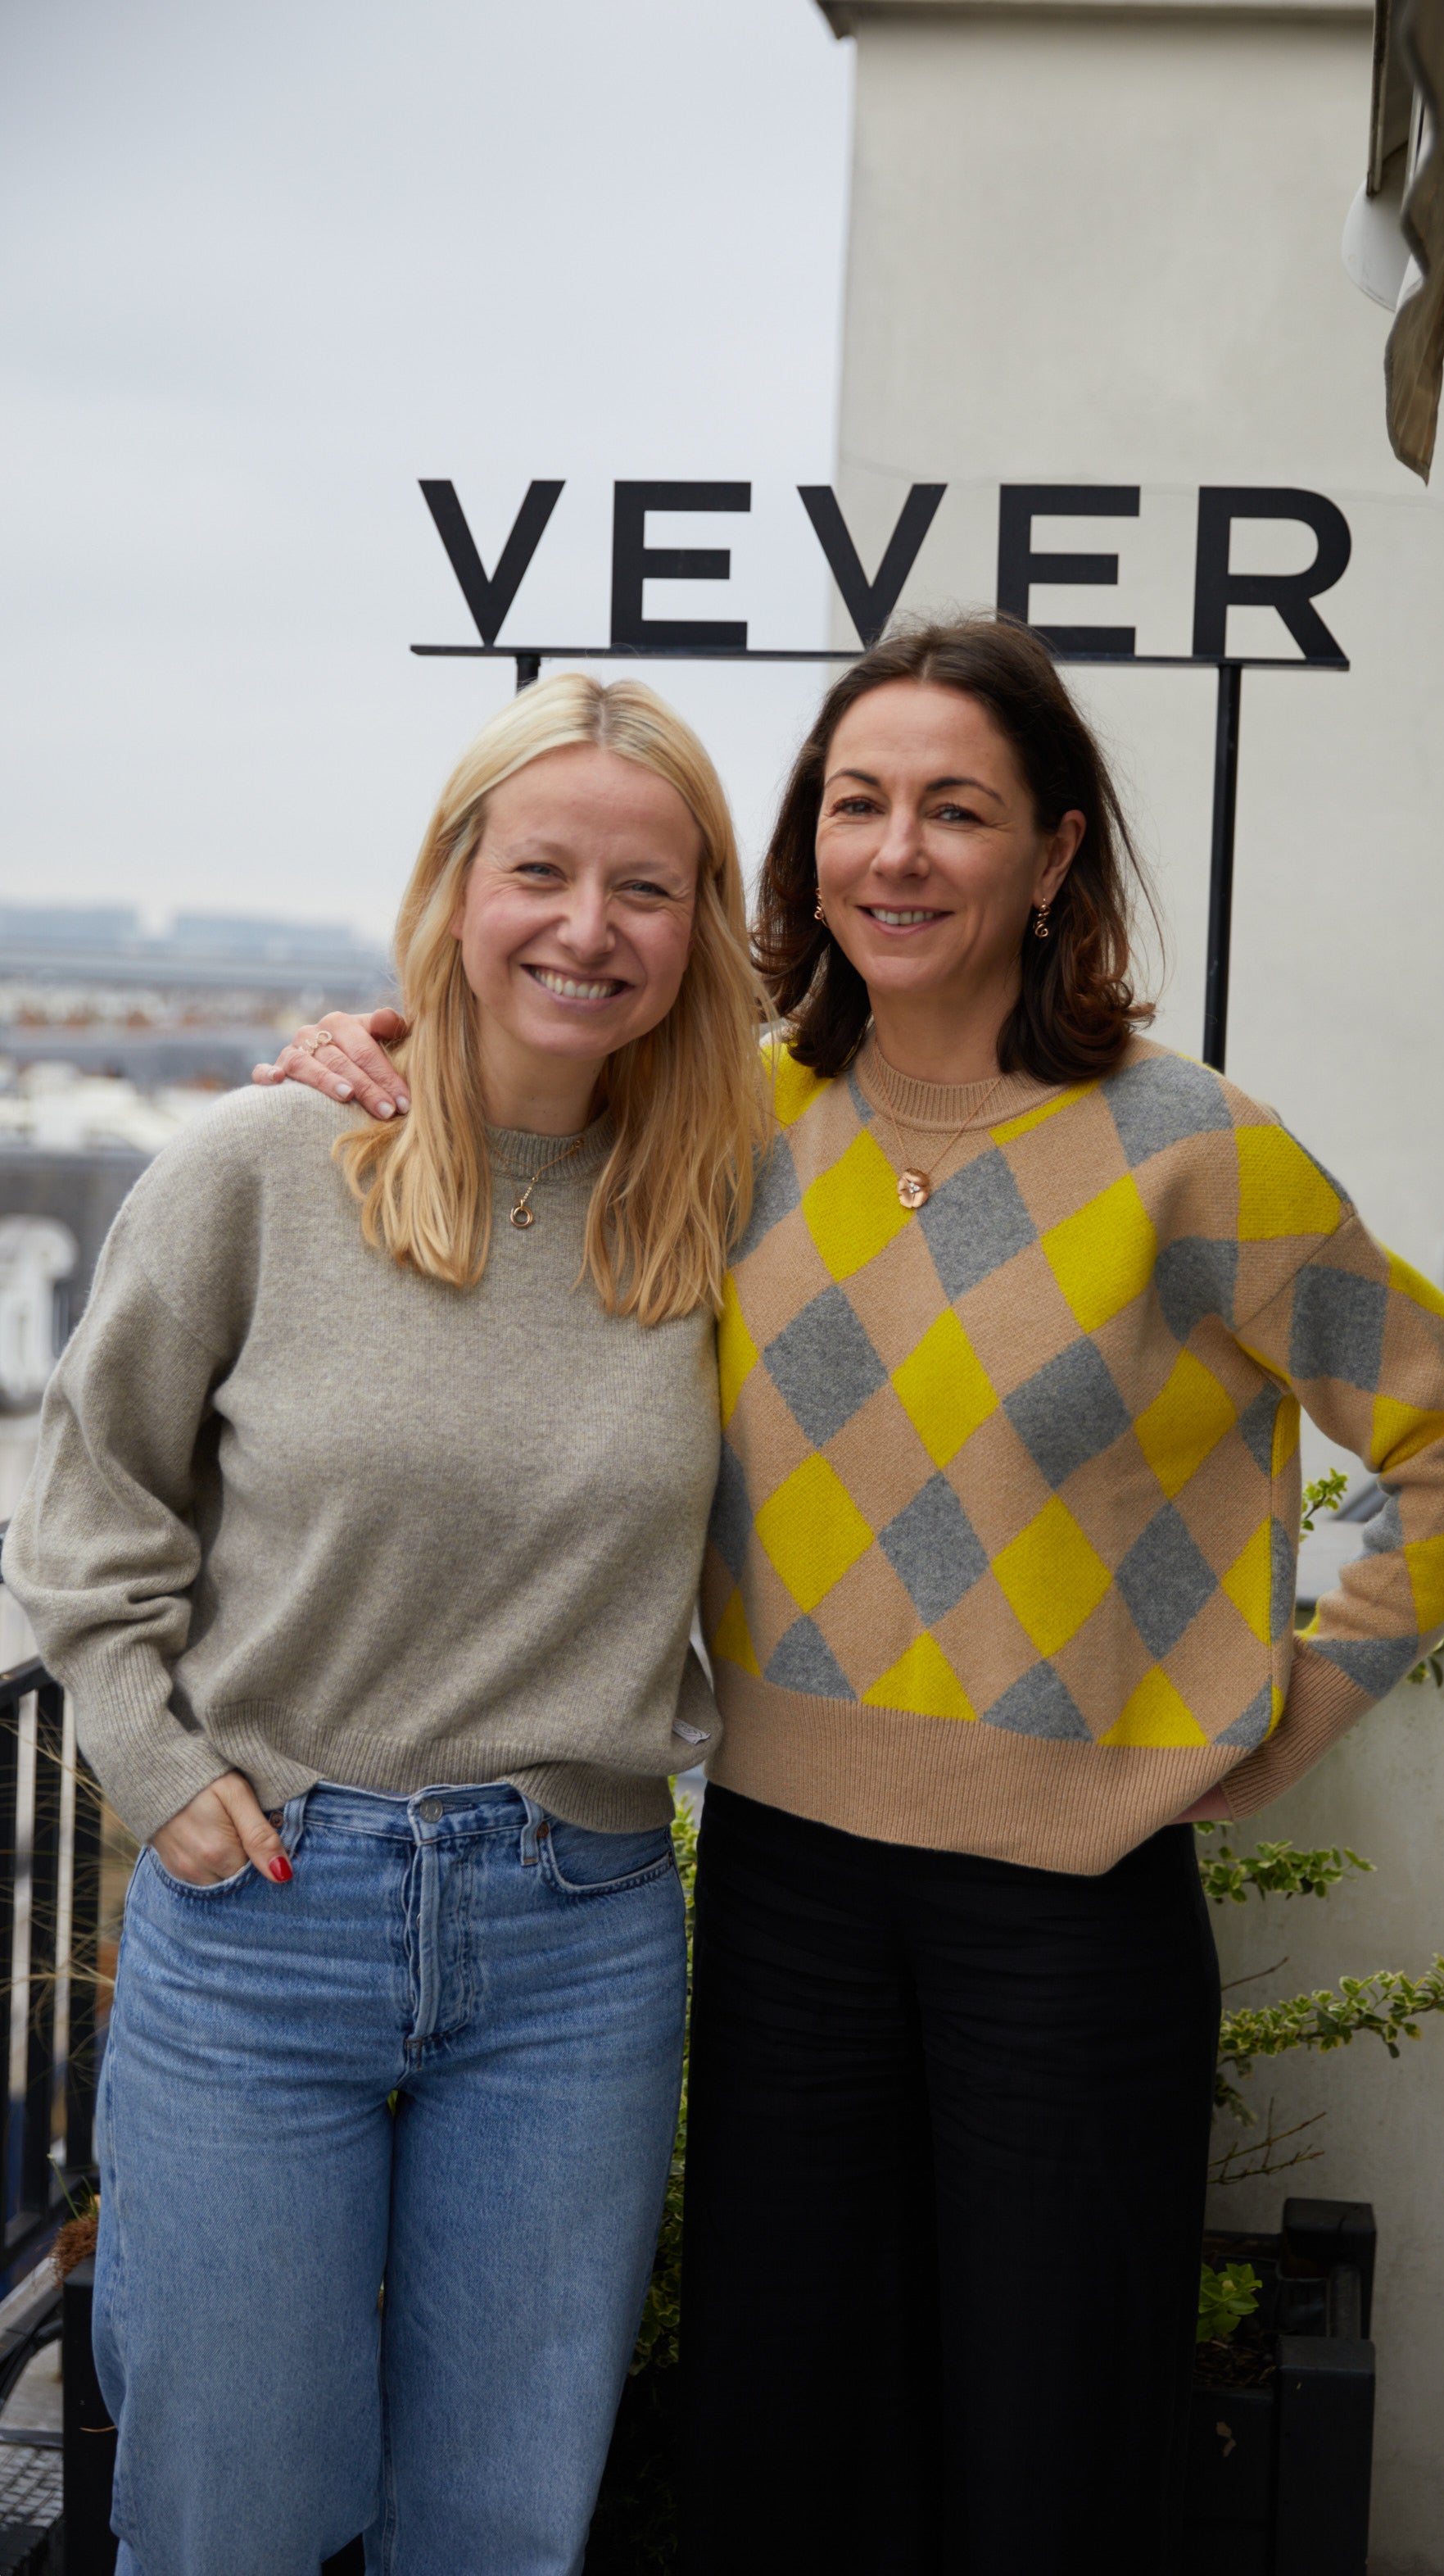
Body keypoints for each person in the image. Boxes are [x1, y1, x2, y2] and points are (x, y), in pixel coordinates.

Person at [274, 616, 1444, 2574]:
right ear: (804, 849)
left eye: (956, 810)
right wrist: (354, 1048)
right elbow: (493, 1101)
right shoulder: (725, 1119)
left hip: (1073, 1918)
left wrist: (1309, 1709)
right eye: (855, 804)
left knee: (1046, 2461)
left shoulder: (1193, 1154)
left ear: (1050, 860)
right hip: (782, 1883)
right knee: (787, 2453)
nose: (897, 851)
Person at [2, 673, 769, 2576]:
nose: (589, 928)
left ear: (702, 928)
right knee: (226, 2511)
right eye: (541, 869)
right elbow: (88, 1515)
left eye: (647, 889)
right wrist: (159, 1769)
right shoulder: (258, 1171)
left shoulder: (734, 1205)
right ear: (453, 881)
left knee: (503, 2526)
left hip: (576, 1945)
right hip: (268, 1918)